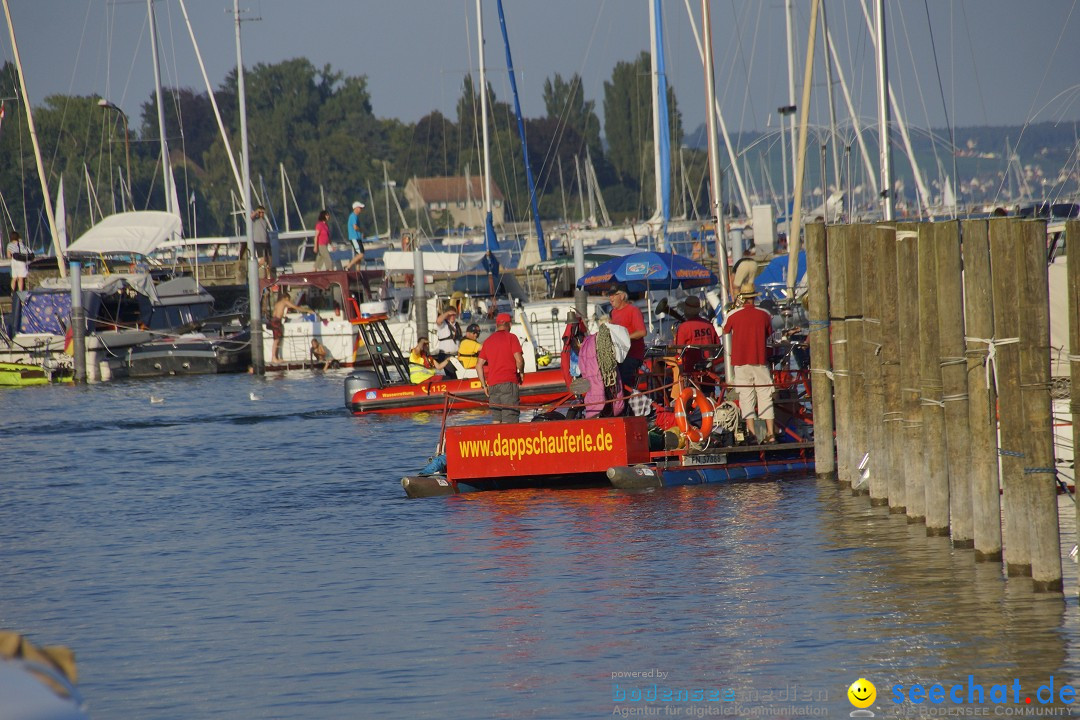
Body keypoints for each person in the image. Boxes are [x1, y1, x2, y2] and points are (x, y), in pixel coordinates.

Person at [722, 281, 776, 443]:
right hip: (759, 360)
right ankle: (770, 433)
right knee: (765, 395)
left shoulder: (734, 314)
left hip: (741, 361)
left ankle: (751, 433)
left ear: (742, 298)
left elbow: (724, 328)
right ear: (754, 298)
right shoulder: (765, 314)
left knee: (746, 397)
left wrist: (734, 307)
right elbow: (769, 333)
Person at [476, 312, 524, 424]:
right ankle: (509, 440)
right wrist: (521, 373)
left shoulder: (488, 341)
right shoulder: (511, 338)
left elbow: (479, 365)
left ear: (497, 325)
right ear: (509, 324)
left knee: (496, 420)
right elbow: (519, 360)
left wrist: (484, 385)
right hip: (508, 383)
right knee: (510, 418)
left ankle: (496, 440)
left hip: (492, 385)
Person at [606, 282, 646, 391]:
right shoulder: (613, 313)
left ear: (622, 296)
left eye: (614, 295)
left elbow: (642, 332)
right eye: (609, 295)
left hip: (632, 355)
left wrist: (624, 338)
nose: (611, 298)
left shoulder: (633, 310)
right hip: (618, 355)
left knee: (624, 382)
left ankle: (625, 405)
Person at [675, 295, 720, 381]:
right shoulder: (708, 324)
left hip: (691, 370)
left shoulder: (684, 327)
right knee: (709, 392)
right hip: (709, 368)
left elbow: (679, 351)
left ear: (686, 310)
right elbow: (717, 345)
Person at [270, 290, 307, 362]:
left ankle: (275, 357)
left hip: (274, 320)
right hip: (277, 322)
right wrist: (307, 310)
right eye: (289, 299)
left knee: (277, 340)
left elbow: (274, 314)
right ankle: (274, 358)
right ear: (286, 297)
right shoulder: (285, 301)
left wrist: (282, 317)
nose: (289, 301)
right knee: (276, 340)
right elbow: (295, 307)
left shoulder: (277, 303)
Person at [433, 306, 463, 379]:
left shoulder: (457, 325)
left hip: (456, 355)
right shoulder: (443, 324)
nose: (452, 317)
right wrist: (447, 313)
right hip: (446, 355)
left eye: (453, 315)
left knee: (458, 374)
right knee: (451, 375)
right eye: (450, 315)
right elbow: (438, 321)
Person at [346, 201, 366, 270]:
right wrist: (361, 230)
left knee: (358, 255)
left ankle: (358, 270)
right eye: (360, 208)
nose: (361, 209)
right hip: (354, 238)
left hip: (357, 238)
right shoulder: (353, 216)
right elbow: (355, 227)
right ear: (356, 208)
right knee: (361, 254)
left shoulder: (355, 217)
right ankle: (348, 267)